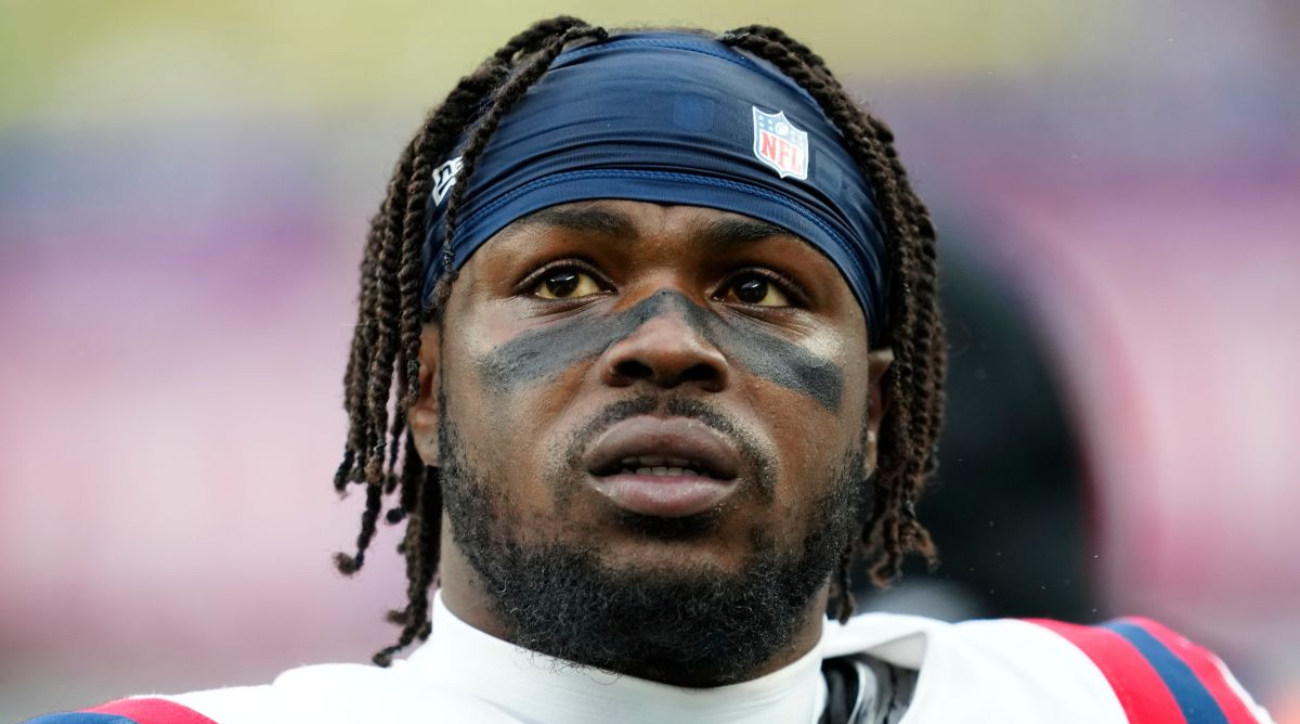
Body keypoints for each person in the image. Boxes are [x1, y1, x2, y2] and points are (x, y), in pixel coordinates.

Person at [24, 17, 1274, 724]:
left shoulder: (1129, 706)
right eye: (563, 280)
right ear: (420, 390)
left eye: (759, 288)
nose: (667, 344)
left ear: (885, 415)